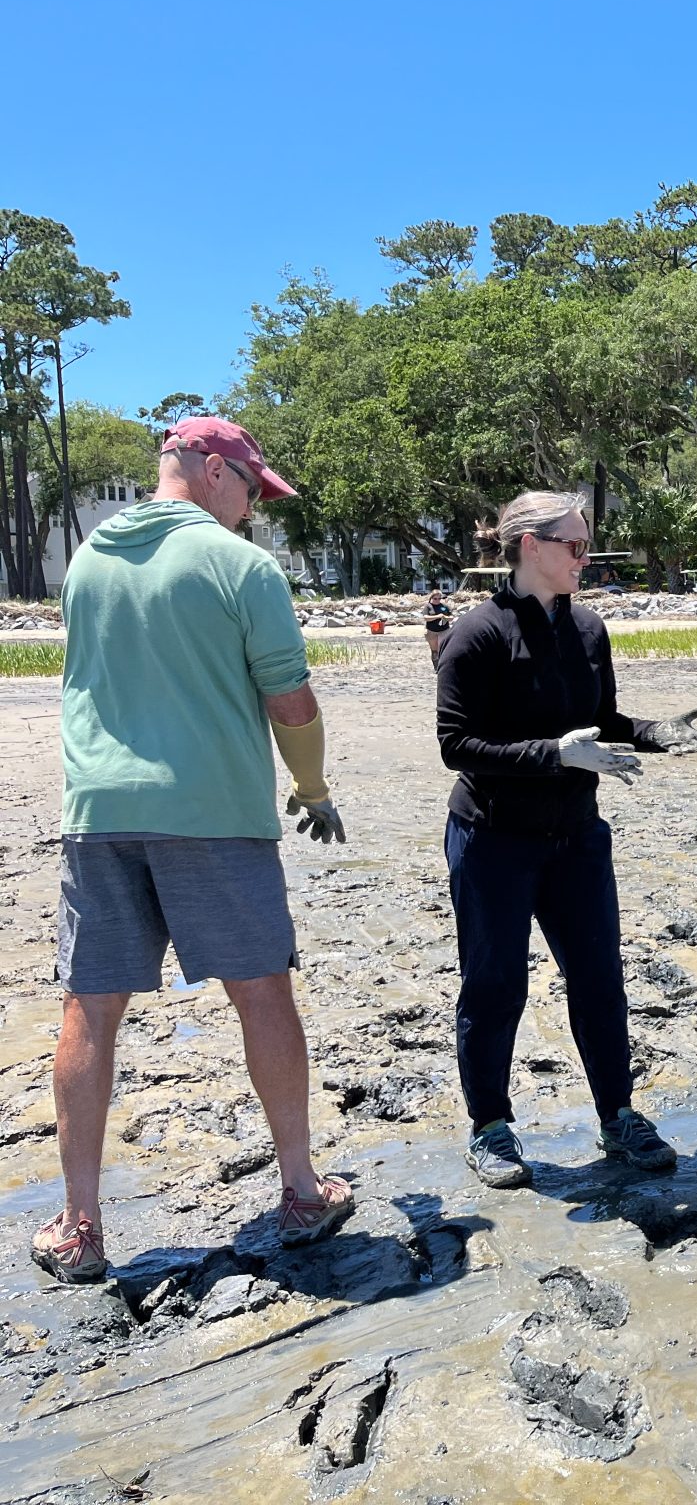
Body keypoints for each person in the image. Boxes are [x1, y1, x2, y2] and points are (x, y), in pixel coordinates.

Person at [35, 417, 354, 1284]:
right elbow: (289, 698)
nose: (253, 509)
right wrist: (313, 789)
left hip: (97, 811)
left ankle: (78, 1225)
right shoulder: (239, 565)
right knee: (261, 992)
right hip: (212, 810)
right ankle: (302, 1190)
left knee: (90, 1007)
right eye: (251, 489)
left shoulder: (89, 559)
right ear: (214, 470)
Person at [437, 491, 697, 1188]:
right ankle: (490, 1126)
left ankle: (618, 1115)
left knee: (599, 979)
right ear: (531, 546)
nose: (585, 559)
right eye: (575, 546)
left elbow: (603, 720)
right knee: (495, 984)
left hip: (577, 838)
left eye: (586, 546)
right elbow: (456, 745)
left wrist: (652, 732)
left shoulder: (589, 628)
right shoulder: (478, 634)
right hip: (493, 840)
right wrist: (555, 754)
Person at [423, 588, 451, 668]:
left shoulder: (444, 606)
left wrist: (445, 617)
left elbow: (451, 616)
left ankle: (444, 666)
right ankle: (436, 667)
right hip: (432, 631)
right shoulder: (428, 606)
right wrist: (437, 616)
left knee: (443, 649)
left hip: (444, 630)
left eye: (439, 598)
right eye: (435, 598)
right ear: (431, 598)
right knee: (434, 650)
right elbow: (426, 617)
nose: (437, 600)